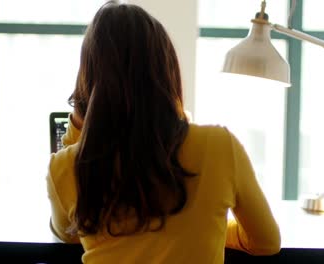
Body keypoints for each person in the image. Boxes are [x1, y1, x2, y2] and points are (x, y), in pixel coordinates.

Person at [46, 1, 280, 263]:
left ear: (87, 79)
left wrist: (80, 122)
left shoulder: (64, 168)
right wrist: (204, 227)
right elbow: (266, 242)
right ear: (166, 68)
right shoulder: (219, 146)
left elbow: (68, 235)